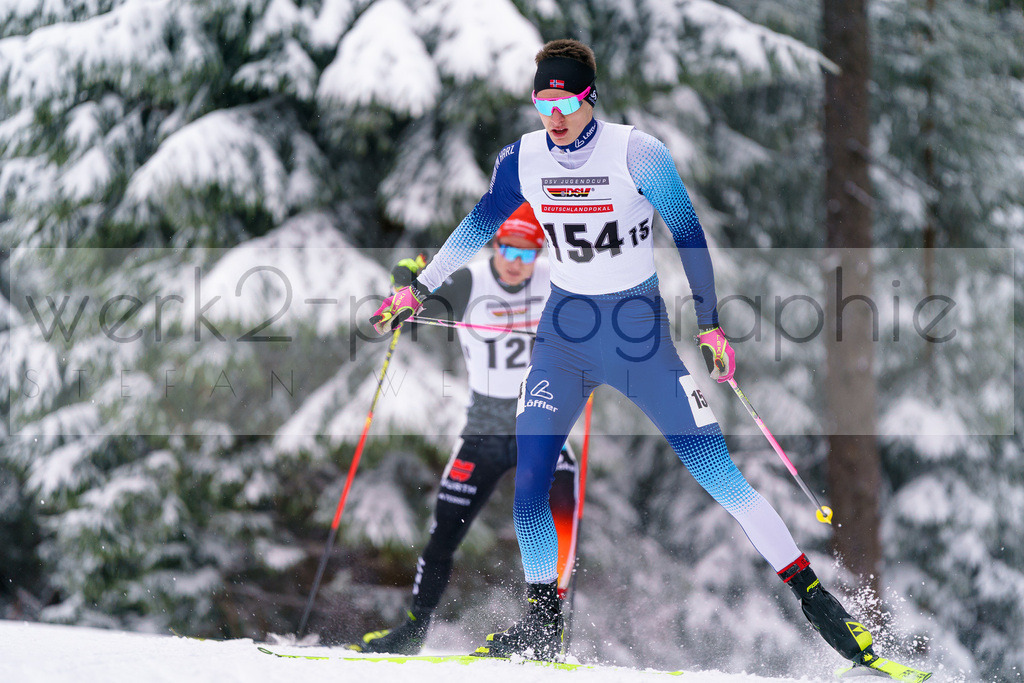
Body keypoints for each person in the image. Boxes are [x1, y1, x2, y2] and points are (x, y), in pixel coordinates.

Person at [370, 39, 887, 672]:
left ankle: (821, 606)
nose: (552, 115)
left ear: (588, 97)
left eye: (563, 100)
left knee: (719, 477)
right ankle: (542, 625)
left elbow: (689, 235)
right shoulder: (524, 159)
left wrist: (711, 326)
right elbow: (479, 225)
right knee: (530, 485)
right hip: (563, 339)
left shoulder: (638, 153)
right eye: (542, 101)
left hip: (638, 337)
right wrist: (417, 288)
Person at [352, 203, 580, 655]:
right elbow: (416, 286)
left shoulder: (555, 279)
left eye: (528, 253)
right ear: (497, 245)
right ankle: (414, 630)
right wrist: (406, 277)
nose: (517, 262)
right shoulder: (470, 279)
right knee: (443, 536)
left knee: (561, 517)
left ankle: (545, 631)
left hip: (541, 424)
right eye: (509, 249)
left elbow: (600, 293)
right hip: (483, 431)